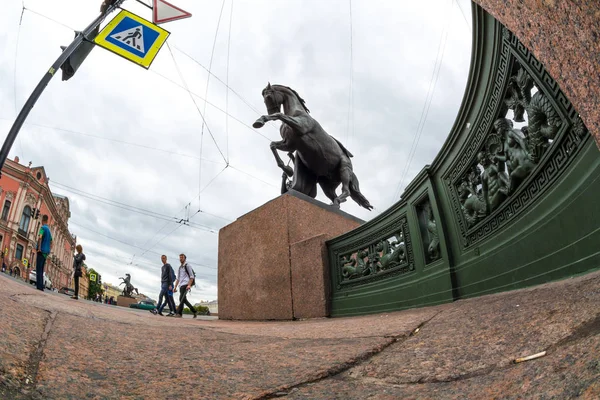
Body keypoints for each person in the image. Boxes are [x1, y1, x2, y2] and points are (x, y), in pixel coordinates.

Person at [173, 254, 196, 318]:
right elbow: (178, 278)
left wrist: (189, 285)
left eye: (182, 257)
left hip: (186, 284)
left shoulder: (187, 266)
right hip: (181, 285)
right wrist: (175, 287)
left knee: (181, 298)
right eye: (180, 257)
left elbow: (192, 276)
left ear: (185, 258)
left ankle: (179, 313)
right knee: (184, 300)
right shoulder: (180, 268)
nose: (181, 259)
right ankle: (194, 311)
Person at [35, 215, 52, 291]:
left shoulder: (42, 228)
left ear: (42, 220)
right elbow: (52, 242)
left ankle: (39, 286)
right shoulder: (49, 230)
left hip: (41, 251)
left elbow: (40, 237)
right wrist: (49, 250)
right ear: (47, 220)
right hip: (46, 252)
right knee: (42, 270)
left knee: (38, 269)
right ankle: (41, 286)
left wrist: (39, 248)